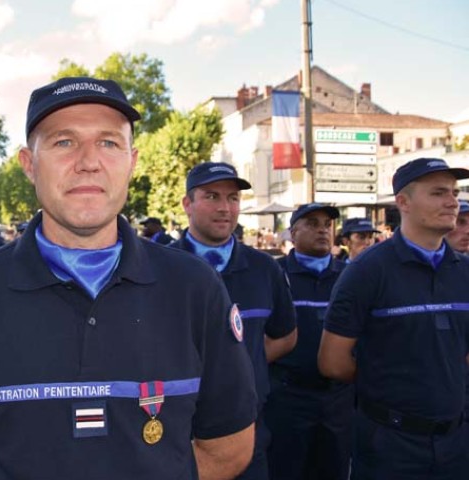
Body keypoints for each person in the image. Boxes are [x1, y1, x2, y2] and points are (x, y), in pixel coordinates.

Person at [0, 76, 257, 479]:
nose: (89, 161)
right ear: (29, 164)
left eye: (108, 142)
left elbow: (228, 449)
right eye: (64, 142)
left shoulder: (195, 287)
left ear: (132, 162)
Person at [319, 157, 469, 479]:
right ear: (403, 202)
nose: (452, 202)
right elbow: (332, 361)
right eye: (438, 193)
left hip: (456, 442)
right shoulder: (367, 271)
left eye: (454, 193)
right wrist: (389, 384)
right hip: (389, 444)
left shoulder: (464, 271)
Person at [173, 161, 297, 480]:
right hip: (175, 433)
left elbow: (285, 336)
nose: (225, 208)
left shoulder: (265, 269)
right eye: (212, 196)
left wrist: (240, 363)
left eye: (233, 198)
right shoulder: (159, 267)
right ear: (187, 204)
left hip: (248, 433)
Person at [265, 203, 354, 480]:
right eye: (312, 224)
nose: (323, 230)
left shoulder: (350, 276)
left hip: (338, 400)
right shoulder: (274, 274)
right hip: (287, 398)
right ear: (293, 233)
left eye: (327, 225)